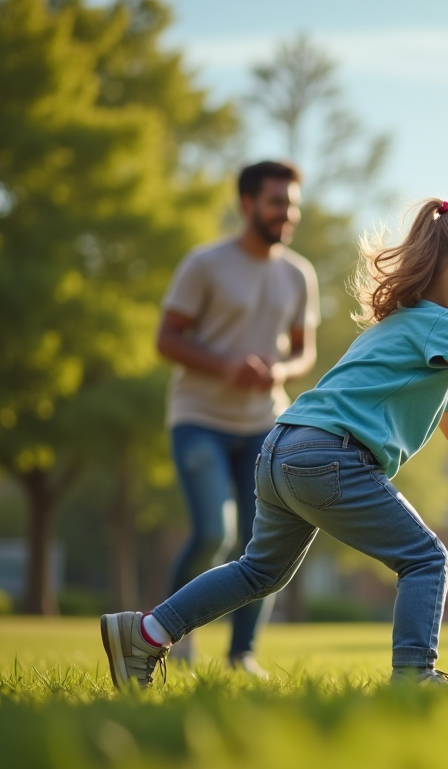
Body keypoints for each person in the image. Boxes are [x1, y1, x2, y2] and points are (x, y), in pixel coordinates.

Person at [102, 199, 448, 688]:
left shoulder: (400, 331)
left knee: (258, 571)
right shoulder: (440, 325)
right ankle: (415, 673)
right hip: (331, 455)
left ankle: (146, 633)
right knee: (426, 559)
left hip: (280, 449)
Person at [154, 161, 319, 677]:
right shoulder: (205, 264)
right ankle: (170, 634)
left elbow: (302, 353)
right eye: (276, 202)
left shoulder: (299, 274)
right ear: (248, 204)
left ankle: (241, 654)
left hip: (265, 425)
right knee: (211, 533)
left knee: (263, 543)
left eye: (292, 203)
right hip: (198, 417)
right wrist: (225, 365)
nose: (287, 213)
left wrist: (279, 371)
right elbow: (167, 339)